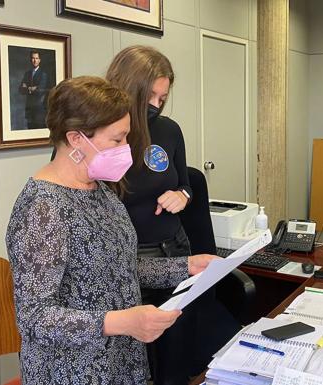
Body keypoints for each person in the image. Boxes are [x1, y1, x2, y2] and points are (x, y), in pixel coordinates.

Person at [6, 76, 216, 384]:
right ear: (76, 138)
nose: (126, 149)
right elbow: (35, 318)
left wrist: (186, 266)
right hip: (74, 371)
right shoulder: (42, 208)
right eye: (117, 140)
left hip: (121, 359)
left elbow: (119, 268)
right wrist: (118, 322)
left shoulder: (100, 190)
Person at [106, 46, 238, 385]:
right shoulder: (103, 138)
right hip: (132, 258)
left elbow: (186, 182)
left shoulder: (169, 130)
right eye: (149, 96)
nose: (156, 105)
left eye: (162, 98)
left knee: (176, 354)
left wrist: (182, 196)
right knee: (133, 359)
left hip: (175, 249)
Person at [18, 50, 49, 129]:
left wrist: (27, 87)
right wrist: (31, 88)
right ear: (30, 60)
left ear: (39, 60)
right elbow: (21, 90)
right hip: (29, 110)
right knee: (30, 131)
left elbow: (40, 91)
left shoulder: (43, 74)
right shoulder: (27, 74)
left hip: (39, 109)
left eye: (36, 58)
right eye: (33, 58)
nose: (34, 60)